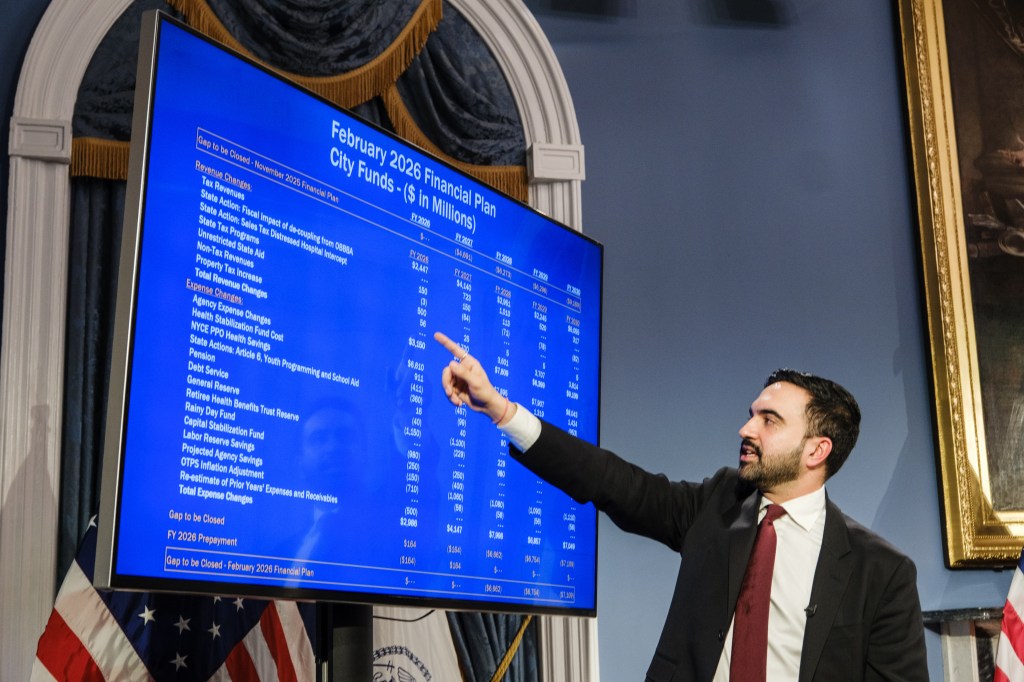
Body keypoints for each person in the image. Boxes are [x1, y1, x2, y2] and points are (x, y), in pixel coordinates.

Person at [433, 331, 928, 682]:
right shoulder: (717, 504)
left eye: (769, 421)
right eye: (750, 415)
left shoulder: (880, 573)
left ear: (817, 450)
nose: (746, 430)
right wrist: (501, 409)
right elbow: (614, 483)